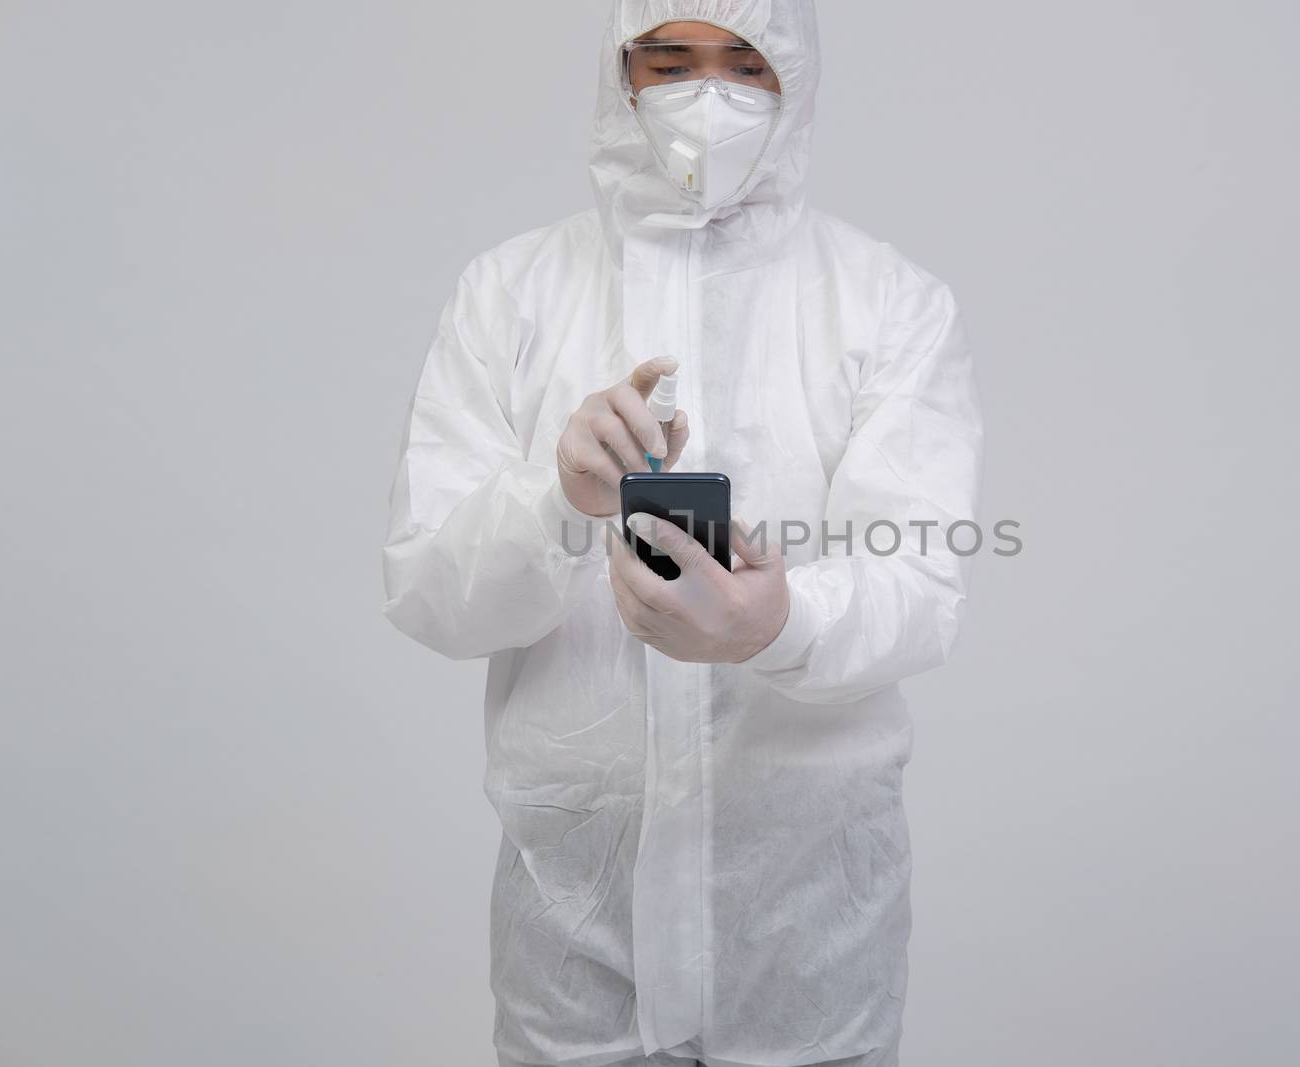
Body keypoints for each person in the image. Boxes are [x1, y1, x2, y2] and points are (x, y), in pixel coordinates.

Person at [382, 2, 983, 1065]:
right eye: (670, 59)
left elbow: (919, 589)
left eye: (744, 62)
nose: (708, 96)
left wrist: (778, 620)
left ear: (793, 79)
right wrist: (555, 495)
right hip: (573, 931)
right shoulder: (509, 296)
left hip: (803, 937)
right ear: (619, 77)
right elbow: (431, 593)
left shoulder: (887, 303)